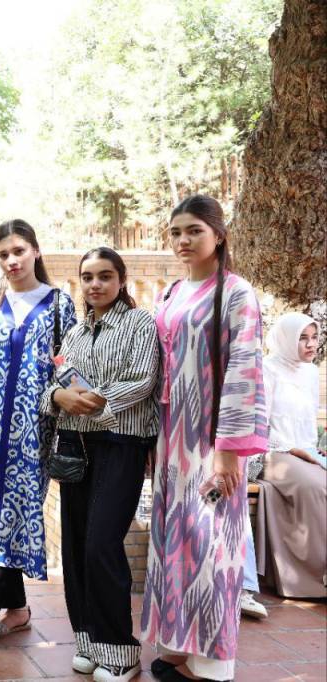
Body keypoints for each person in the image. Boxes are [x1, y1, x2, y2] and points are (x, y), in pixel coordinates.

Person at [141, 195, 267, 682]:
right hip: (171, 437)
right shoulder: (171, 292)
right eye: (176, 232)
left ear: (219, 234)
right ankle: (178, 646)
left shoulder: (236, 293)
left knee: (213, 547)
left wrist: (228, 452)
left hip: (213, 442)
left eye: (194, 230)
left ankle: (212, 664)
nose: (183, 240)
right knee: (176, 541)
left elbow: (244, 371)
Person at [0, 219, 77, 671]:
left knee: (6, 522)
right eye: (3, 253)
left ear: (36, 251)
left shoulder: (60, 305)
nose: (11, 260)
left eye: (19, 250)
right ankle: (19, 610)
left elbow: (69, 365)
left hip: (32, 435)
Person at [41, 247, 160, 681]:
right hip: (75, 444)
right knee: (75, 546)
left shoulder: (140, 323)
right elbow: (55, 381)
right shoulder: (75, 332)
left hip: (121, 443)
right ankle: (89, 641)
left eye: (105, 276)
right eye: (88, 277)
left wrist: (93, 402)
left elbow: (142, 380)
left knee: (101, 544)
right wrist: (59, 396)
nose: (95, 284)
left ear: (121, 280)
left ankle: (121, 651)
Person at [257, 312, 326, 599]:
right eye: (302, 338)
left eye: (314, 337)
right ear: (286, 339)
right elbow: (260, 424)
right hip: (274, 451)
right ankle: (315, 577)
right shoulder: (267, 369)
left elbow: (307, 421)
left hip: (304, 451)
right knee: (315, 487)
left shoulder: (310, 372)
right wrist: (295, 449)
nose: (311, 344)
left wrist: (313, 449)